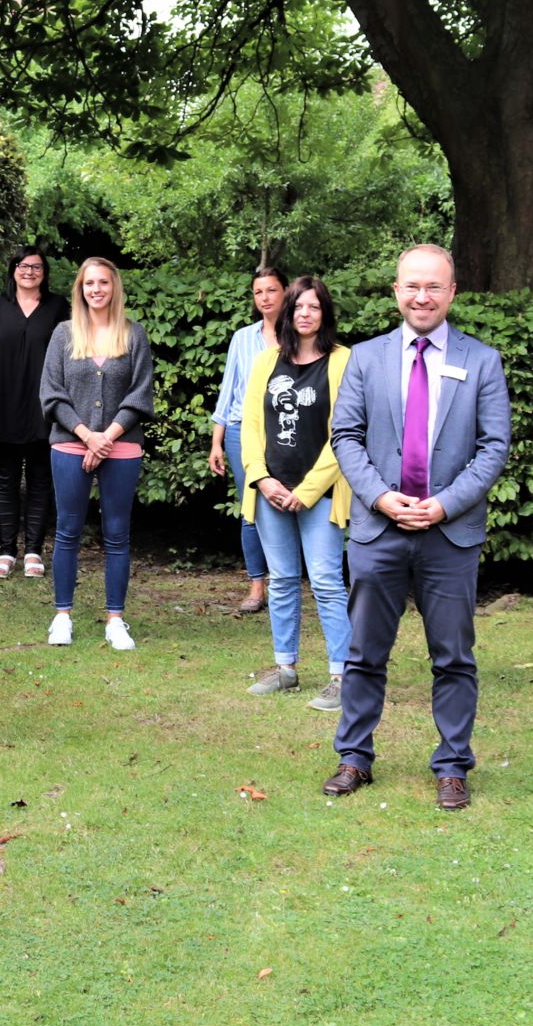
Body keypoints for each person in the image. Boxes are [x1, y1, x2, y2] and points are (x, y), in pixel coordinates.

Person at [321, 245, 510, 811]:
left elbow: (493, 446)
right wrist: (380, 497)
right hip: (379, 532)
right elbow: (346, 437)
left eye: (434, 287)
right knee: (363, 654)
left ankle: (452, 765)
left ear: (452, 292)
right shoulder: (366, 359)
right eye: (412, 286)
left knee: (453, 657)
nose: (422, 297)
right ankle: (354, 756)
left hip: (448, 536)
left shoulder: (483, 362)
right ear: (396, 291)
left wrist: (445, 505)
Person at [241, 276, 353, 710]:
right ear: (286, 314)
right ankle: (286, 669)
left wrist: (306, 491)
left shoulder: (344, 362)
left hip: (319, 494)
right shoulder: (267, 362)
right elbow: (250, 426)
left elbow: (346, 434)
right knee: (283, 581)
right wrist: (261, 478)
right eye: (297, 307)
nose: (304, 314)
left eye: (314, 307)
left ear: (325, 314)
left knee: (327, 583)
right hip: (270, 491)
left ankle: (342, 675)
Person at [40, 257, 156, 651]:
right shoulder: (63, 334)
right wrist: (88, 435)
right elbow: (51, 394)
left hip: (121, 444)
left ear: (114, 287)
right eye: (89, 283)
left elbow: (141, 394)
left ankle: (115, 619)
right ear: (81, 288)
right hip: (71, 441)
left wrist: (107, 436)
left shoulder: (133, 335)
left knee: (117, 534)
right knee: (68, 530)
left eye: (103, 282)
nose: (96, 289)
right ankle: (62, 616)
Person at [0, 244, 69, 579]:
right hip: (2, 403)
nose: (29, 272)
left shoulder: (58, 307)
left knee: (41, 480)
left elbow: (72, 354)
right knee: (6, 480)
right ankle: (6, 552)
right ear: (13, 269)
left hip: (45, 406)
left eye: (37, 267)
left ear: (45, 272)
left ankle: (33, 553)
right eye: (23, 266)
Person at [208, 267, 287, 613]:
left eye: (271, 290)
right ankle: (257, 586)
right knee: (251, 509)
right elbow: (229, 392)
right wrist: (217, 441)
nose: (265, 297)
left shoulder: (298, 335)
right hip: (243, 431)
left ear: (286, 292)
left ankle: (286, 581)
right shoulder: (243, 338)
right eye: (259, 292)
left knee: (289, 504)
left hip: (287, 430)